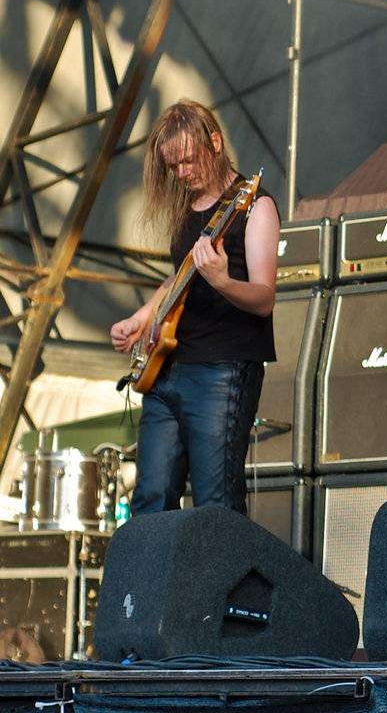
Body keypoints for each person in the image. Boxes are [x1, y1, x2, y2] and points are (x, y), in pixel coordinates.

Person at [110, 101, 279, 515]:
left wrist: (223, 280)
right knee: (150, 497)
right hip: (167, 369)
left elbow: (264, 298)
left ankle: (226, 582)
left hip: (223, 370)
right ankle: (148, 583)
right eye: (174, 165)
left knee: (215, 502)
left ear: (215, 143)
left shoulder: (255, 206)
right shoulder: (187, 209)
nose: (183, 172)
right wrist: (140, 319)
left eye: (189, 160)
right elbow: (179, 278)